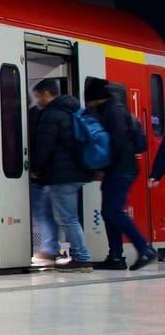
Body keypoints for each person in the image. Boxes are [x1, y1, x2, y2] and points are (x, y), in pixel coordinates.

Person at [85, 77, 154, 270]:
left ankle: (144, 249)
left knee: (114, 211)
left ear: (96, 97)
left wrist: (103, 167)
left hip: (120, 169)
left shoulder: (112, 112)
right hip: (121, 168)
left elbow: (117, 143)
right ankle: (115, 257)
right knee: (109, 211)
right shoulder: (115, 109)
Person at [29, 78, 94, 272]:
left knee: (67, 218)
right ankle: (51, 249)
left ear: (47, 93)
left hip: (62, 175)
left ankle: (82, 257)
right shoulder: (72, 110)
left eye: (38, 96)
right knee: (51, 211)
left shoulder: (51, 114)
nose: (38, 101)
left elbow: (44, 146)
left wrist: (35, 167)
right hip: (75, 172)